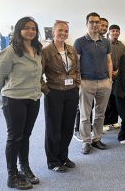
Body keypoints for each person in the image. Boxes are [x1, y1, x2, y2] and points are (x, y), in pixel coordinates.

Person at [0, 17, 42, 189]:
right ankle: (12, 175)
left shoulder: (37, 50)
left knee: (26, 136)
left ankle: (25, 168)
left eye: (34, 29)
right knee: (14, 137)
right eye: (26, 28)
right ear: (18, 30)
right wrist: (5, 94)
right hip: (14, 100)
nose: (30, 31)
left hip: (33, 98)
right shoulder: (10, 51)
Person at [42, 21, 80, 172]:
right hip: (54, 93)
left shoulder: (71, 49)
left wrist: (77, 84)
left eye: (66, 31)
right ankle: (53, 161)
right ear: (53, 32)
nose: (63, 33)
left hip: (71, 92)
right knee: (53, 128)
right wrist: (47, 91)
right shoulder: (46, 51)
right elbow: (38, 74)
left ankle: (63, 156)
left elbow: (77, 69)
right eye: (60, 30)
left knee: (68, 127)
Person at [74, 12, 113, 154]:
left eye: (97, 22)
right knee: (85, 115)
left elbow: (109, 61)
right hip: (86, 82)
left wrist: (110, 79)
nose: (95, 24)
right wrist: (80, 81)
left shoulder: (106, 42)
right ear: (87, 24)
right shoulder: (80, 42)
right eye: (92, 22)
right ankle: (86, 141)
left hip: (104, 82)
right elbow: (76, 63)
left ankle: (97, 139)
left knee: (100, 114)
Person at [103, 24, 125, 131]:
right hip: (106, 76)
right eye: (113, 31)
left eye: (117, 31)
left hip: (118, 76)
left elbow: (124, 60)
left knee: (116, 98)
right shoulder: (105, 44)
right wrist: (109, 72)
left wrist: (118, 71)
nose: (115, 33)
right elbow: (103, 60)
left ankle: (114, 120)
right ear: (109, 32)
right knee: (107, 100)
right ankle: (105, 122)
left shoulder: (122, 45)